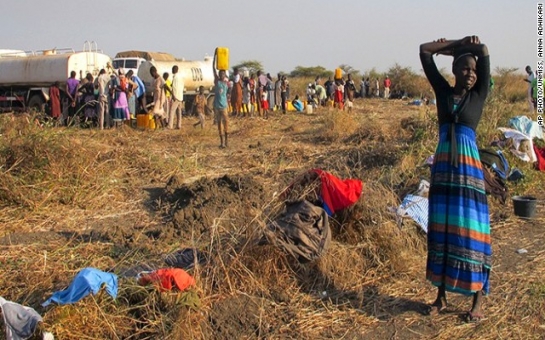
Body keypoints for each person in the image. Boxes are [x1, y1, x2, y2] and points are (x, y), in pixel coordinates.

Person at [420, 35, 491, 323]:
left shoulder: (479, 94)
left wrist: (471, 49)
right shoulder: (443, 93)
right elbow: (425, 52)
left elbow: (484, 52)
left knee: (472, 228)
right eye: (464, 68)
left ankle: (478, 298)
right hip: (444, 172)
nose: (471, 74)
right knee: (443, 229)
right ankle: (440, 296)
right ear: (453, 70)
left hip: (469, 171)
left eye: (474, 70)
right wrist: (457, 43)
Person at [213, 51, 229, 148]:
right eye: (221, 74)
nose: (222, 75)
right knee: (219, 124)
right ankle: (222, 142)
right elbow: (213, 70)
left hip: (224, 106)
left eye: (223, 74)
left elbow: (227, 72)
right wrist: (215, 58)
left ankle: (226, 141)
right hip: (217, 107)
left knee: (226, 123)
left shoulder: (226, 83)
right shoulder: (217, 82)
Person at [168, 65, 184, 129]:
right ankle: (179, 125)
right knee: (179, 112)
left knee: (172, 111)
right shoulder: (180, 77)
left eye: (172, 69)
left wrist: (173, 96)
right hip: (180, 96)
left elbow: (174, 88)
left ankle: (170, 126)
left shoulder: (175, 77)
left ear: (174, 70)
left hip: (176, 96)